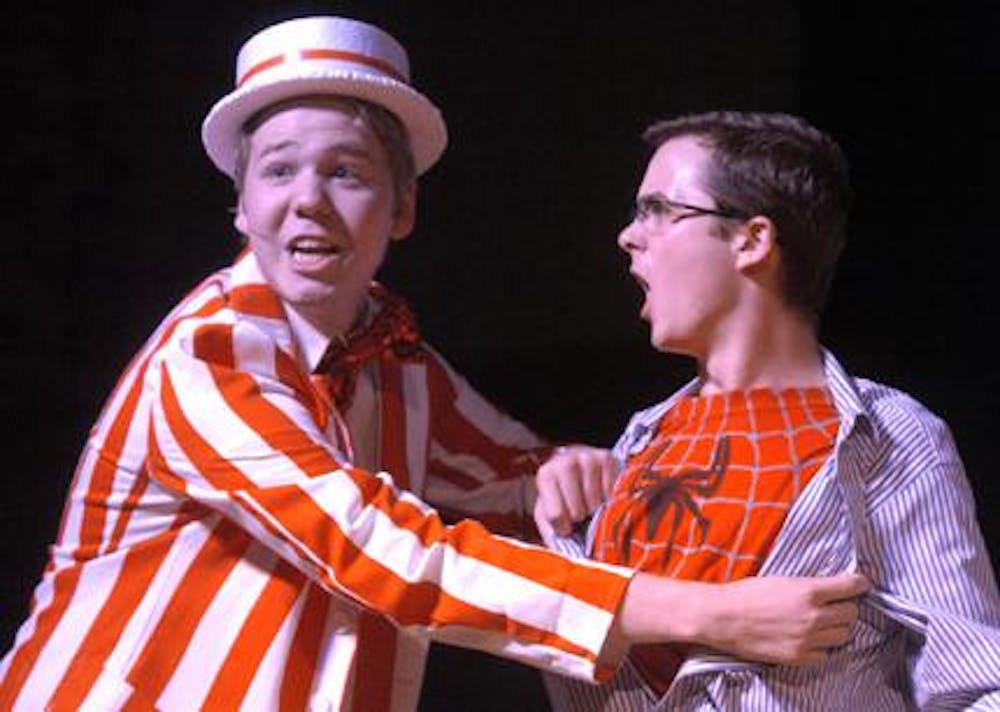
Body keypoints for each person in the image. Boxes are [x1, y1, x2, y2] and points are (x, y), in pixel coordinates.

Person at [0, 20, 867, 712]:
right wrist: (705, 612)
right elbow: (383, 552)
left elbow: (517, 474)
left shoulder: (395, 359)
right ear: (242, 205)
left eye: (346, 172)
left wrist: (562, 470)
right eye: (278, 170)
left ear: (402, 207)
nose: (307, 200)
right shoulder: (210, 354)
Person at [536, 110, 1000, 710]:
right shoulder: (638, 444)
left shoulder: (886, 437)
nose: (630, 235)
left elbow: (973, 683)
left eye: (659, 210)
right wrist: (564, 524)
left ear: (752, 240)